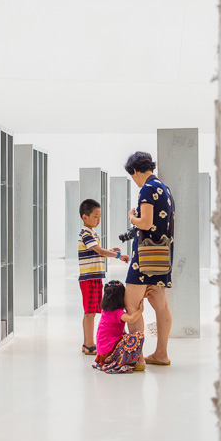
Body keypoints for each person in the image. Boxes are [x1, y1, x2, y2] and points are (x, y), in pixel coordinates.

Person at [123, 151, 174, 369]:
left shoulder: (147, 189)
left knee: (131, 305)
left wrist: (131, 217)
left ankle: (138, 358)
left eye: (132, 176)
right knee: (161, 306)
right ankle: (161, 354)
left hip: (144, 258)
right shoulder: (164, 188)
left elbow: (145, 223)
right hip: (161, 257)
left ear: (135, 171)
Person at [78, 198, 129, 356]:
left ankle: (87, 343)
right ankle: (89, 344)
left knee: (91, 311)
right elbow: (99, 251)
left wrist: (110, 251)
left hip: (94, 277)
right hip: (89, 279)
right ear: (85, 217)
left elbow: (97, 252)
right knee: (89, 312)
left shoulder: (92, 233)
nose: (98, 220)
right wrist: (118, 255)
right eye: (95, 216)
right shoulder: (86, 233)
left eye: (100, 217)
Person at [92, 280, 145, 374]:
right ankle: (127, 360)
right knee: (138, 336)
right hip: (109, 352)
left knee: (125, 335)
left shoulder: (105, 311)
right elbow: (131, 319)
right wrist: (141, 310)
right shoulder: (117, 313)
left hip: (102, 353)